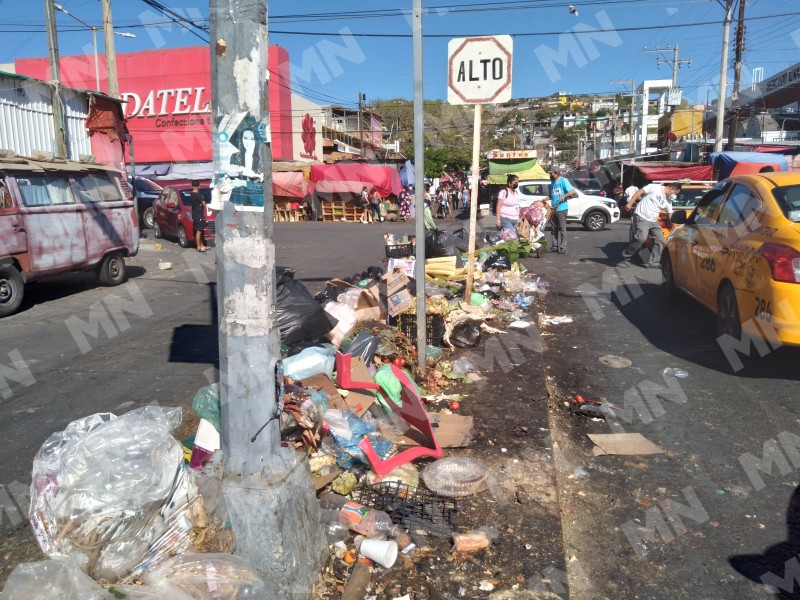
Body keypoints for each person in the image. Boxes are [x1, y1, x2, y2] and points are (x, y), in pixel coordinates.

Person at [620, 181, 682, 268]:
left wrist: (676, 228)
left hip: (653, 220)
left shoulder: (668, 200)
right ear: (672, 189)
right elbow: (640, 191)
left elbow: (670, 214)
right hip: (641, 216)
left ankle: (654, 262)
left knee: (660, 239)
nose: (675, 196)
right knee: (641, 238)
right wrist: (630, 203)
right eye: (675, 193)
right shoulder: (655, 187)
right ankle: (626, 257)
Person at [548, 168, 577, 254]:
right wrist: (544, 199)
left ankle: (562, 247)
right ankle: (554, 246)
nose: (550, 175)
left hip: (562, 208)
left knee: (562, 228)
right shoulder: (552, 183)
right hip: (554, 208)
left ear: (557, 173)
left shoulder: (563, 180)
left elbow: (572, 191)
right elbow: (551, 196)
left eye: (552, 173)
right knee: (553, 229)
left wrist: (564, 196)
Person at [189, 180, 207, 252]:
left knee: (200, 231)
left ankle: (202, 245)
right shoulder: (198, 195)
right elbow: (204, 204)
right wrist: (201, 204)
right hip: (199, 215)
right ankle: (198, 246)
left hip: (195, 214)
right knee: (199, 231)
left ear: (192, 186)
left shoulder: (191, 194)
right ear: (199, 186)